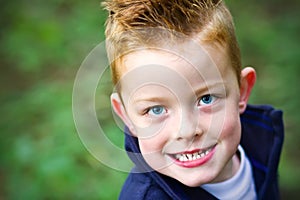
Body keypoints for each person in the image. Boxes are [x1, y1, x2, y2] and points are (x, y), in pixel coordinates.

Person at [102, 0, 284, 199]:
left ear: (242, 91)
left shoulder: (260, 142)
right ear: (126, 116)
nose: (186, 131)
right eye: (156, 109)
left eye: (206, 99)